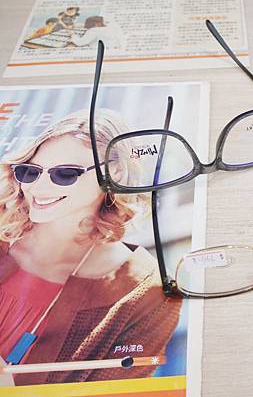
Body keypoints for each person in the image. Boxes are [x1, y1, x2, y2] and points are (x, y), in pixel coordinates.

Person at [0, 110, 181, 386]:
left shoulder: (146, 294)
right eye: (30, 171)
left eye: (64, 174)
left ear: (112, 173)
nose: (38, 187)